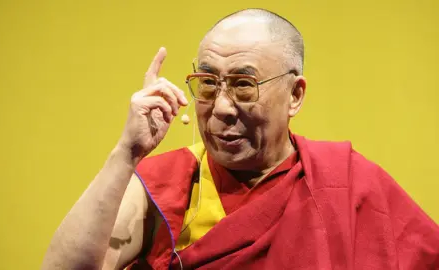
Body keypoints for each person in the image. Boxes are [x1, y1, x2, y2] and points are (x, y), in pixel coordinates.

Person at [41, 8, 439, 270]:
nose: (222, 108)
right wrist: (125, 154)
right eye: (209, 84)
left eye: (244, 85)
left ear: (295, 95)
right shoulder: (170, 182)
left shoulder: (347, 184)